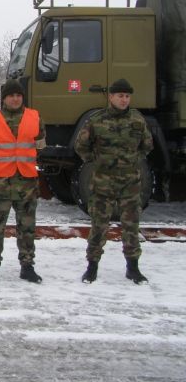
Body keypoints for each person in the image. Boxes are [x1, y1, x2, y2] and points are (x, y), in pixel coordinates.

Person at [74, 78, 153, 284]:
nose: (124, 100)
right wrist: (96, 161)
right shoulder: (97, 120)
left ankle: (133, 268)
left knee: (131, 226)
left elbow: (147, 145)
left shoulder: (137, 120)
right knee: (99, 226)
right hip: (103, 183)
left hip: (130, 183)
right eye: (120, 96)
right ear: (111, 97)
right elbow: (81, 145)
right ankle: (92, 268)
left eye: (127, 96)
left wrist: (133, 160)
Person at [0, 79, 46, 284]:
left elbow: (40, 145)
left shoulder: (35, 117)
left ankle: (27, 266)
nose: (15, 99)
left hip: (26, 182)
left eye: (18, 95)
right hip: (0, 182)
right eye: (11, 96)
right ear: (4, 99)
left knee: (27, 227)